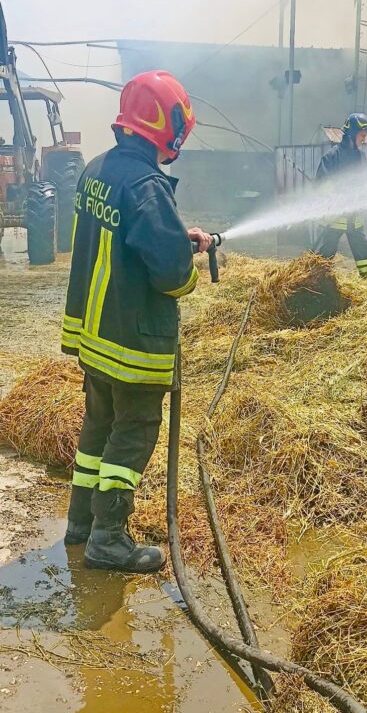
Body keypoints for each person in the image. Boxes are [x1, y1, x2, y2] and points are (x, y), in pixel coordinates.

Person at [61, 70, 212, 573]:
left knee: (97, 426)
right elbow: (171, 276)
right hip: (133, 340)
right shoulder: (147, 184)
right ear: (168, 126)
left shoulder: (98, 169)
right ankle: (109, 538)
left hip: (95, 337)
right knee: (134, 431)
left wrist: (176, 234)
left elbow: (126, 235)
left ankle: (81, 523)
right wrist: (188, 271)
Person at [314, 113, 367, 277]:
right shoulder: (332, 157)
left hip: (354, 217)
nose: (364, 139)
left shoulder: (361, 157)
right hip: (335, 218)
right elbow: (322, 185)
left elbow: (365, 182)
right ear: (352, 134)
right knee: (325, 253)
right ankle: (317, 281)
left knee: (362, 249)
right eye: (363, 135)